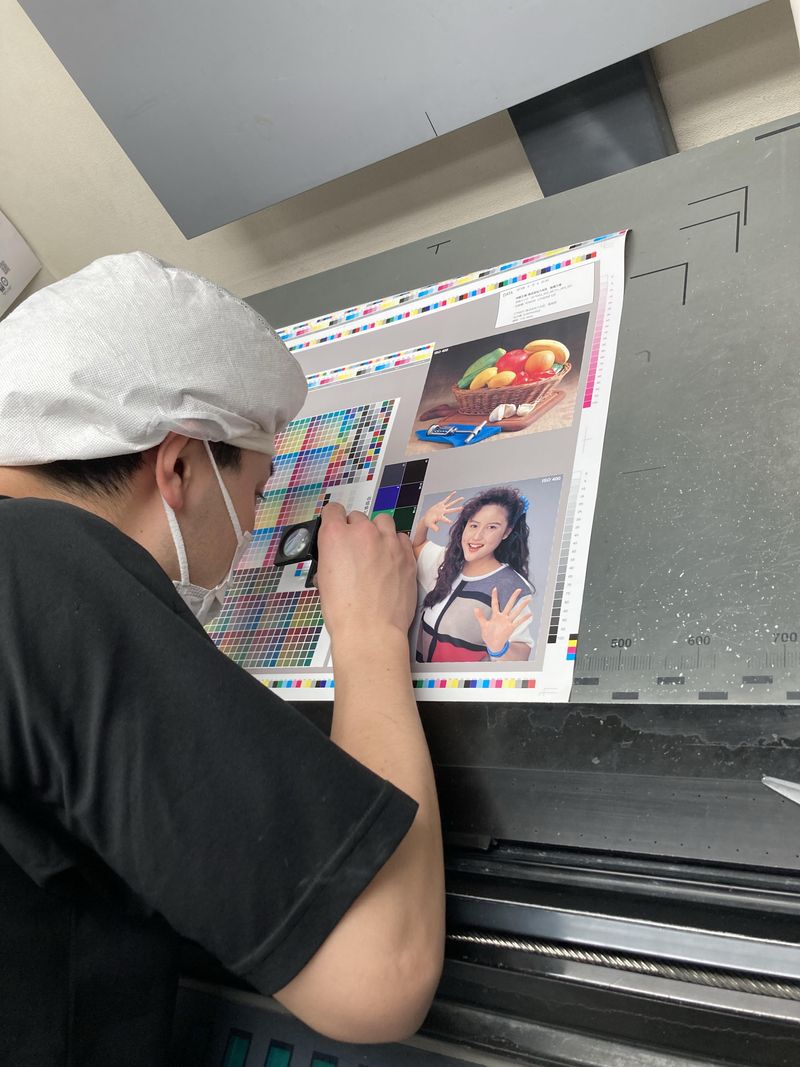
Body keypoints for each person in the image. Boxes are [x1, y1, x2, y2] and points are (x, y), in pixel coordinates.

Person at [0, 252, 444, 1065]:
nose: (255, 525)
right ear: (178, 466)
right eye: (260, 490)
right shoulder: (42, 566)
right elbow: (382, 970)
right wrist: (371, 633)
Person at [413, 487, 534, 663]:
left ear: (506, 532)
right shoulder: (445, 561)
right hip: (420, 679)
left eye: (492, 527)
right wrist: (425, 521)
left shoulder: (511, 587)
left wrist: (499, 648)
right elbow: (416, 547)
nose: (477, 536)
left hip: (458, 681)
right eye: (474, 525)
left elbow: (522, 655)